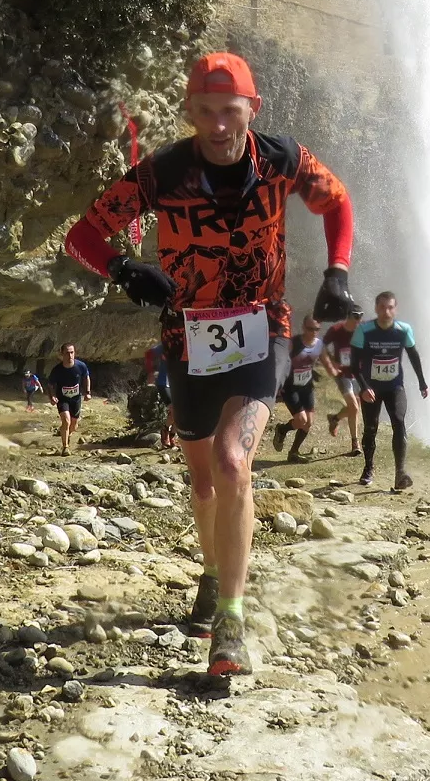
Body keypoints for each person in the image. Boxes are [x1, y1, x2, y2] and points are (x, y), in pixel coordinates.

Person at [64, 51, 356, 676]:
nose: (219, 124)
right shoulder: (163, 171)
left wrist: (338, 271)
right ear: (190, 112)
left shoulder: (283, 158)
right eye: (205, 112)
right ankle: (211, 572)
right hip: (186, 337)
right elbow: (82, 236)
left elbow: (337, 203)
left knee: (232, 461)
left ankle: (231, 619)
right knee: (202, 482)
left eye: (231, 111)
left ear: (253, 109)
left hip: (263, 327)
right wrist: (122, 267)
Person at [353, 291, 428, 491]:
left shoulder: (404, 330)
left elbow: (414, 356)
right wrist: (364, 387)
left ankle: (400, 473)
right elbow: (353, 363)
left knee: (399, 421)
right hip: (372, 388)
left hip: (395, 386)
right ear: (376, 308)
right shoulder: (364, 330)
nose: (386, 312)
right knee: (371, 428)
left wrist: (422, 382)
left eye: (390, 307)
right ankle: (368, 468)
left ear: (396, 309)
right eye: (382, 307)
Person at [274, 315, 326, 461]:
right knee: (301, 419)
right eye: (310, 329)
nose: (313, 332)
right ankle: (282, 430)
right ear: (303, 327)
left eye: (317, 329)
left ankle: (293, 453)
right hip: (290, 387)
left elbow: (325, 361)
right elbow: (281, 360)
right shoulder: (293, 343)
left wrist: (336, 371)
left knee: (308, 423)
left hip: (306, 386)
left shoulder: (319, 344)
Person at [321, 308, 363, 455]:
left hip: (358, 374)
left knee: (354, 408)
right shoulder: (336, 330)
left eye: (360, 316)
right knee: (354, 407)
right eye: (355, 316)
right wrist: (332, 362)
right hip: (343, 374)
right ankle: (355, 442)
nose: (358, 319)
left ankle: (335, 418)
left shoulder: (362, 330)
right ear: (348, 316)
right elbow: (322, 346)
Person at [45, 343, 91, 456]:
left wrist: (88, 392)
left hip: (76, 399)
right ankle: (65, 448)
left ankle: (66, 434)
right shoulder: (57, 370)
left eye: (72, 352)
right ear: (62, 354)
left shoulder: (81, 366)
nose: (70, 355)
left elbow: (86, 377)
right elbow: (50, 385)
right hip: (62, 399)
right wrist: (52, 396)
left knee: (74, 425)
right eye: (67, 353)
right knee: (66, 421)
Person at [143, 339, 176, 450]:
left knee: (182, 413)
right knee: (175, 410)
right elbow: (148, 354)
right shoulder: (166, 345)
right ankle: (165, 430)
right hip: (164, 383)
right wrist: (151, 372)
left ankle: (172, 437)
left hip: (179, 384)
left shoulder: (190, 345)